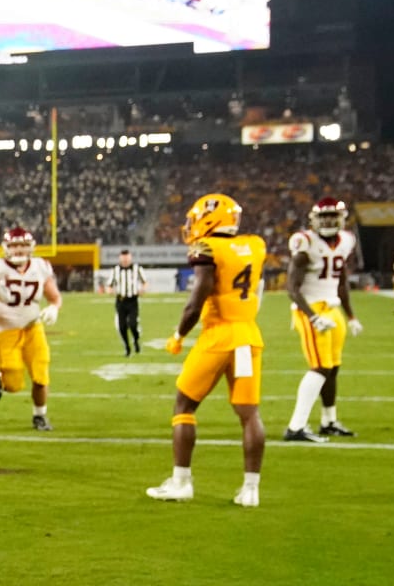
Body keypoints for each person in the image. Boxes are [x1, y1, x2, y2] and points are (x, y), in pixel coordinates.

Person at [148, 194, 266, 507]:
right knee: (249, 413)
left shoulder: (208, 248)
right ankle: (251, 490)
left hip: (218, 336)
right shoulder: (254, 245)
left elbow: (196, 299)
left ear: (211, 218)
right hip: (248, 336)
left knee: (184, 405)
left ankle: (181, 482)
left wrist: (178, 334)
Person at [282, 197, 362, 442]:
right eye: (323, 216)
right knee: (319, 368)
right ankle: (296, 427)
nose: (328, 220)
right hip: (310, 309)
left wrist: (350, 315)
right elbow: (292, 288)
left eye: (332, 216)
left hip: (333, 308)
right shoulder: (305, 242)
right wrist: (313, 317)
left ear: (341, 218)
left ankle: (329, 421)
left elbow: (341, 280)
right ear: (314, 219)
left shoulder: (347, 240)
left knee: (332, 368)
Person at [0, 227, 63, 431]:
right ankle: (1, 377)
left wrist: (54, 308)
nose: (19, 250)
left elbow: (55, 297)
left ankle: (40, 416)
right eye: (14, 245)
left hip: (33, 327)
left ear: (30, 247)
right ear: (6, 248)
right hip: (6, 329)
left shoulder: (40, 266)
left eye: (23, 245)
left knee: (41, 375)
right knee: (14, 385)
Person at [105, 249, 147, 356]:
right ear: (120, 258)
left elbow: (144, 282)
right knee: (122, 326)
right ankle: (127, 347)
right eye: (123, 258)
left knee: (133, 324)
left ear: (130, 258)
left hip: (133, 300)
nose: (125, 260)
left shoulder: (137, 268)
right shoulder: (115, 270)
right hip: (121, 301)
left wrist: (143, 289)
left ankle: (136, 340)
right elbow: (109, 285)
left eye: (127, 258)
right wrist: (110, 291)